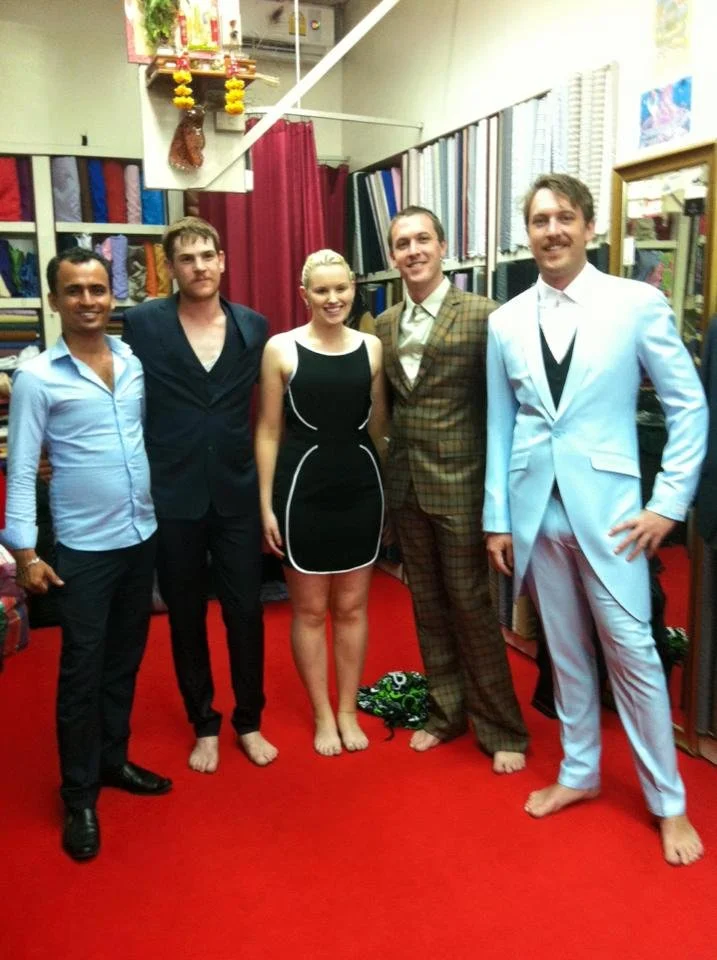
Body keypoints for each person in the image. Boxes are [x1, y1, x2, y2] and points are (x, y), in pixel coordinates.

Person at [483, 173, 707, 866]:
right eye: (538, 220)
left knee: (633, 654)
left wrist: (667, 503)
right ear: (528, 232)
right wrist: (497, 517)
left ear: (587, 228)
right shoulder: (504, 319)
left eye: (563, 218)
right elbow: (502, 422)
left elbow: (688, 406)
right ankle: (578, 772)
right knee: (564, 649)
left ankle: (667, 802)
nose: (550, 231)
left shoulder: (634, 302)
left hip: (612, 515)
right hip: (532, 511)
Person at [2, 248, 171, 862]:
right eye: (74, 291)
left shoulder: (131, 363)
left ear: (111, 296)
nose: (89, 301)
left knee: (125, 659)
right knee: (81, 671)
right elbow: (20, 469)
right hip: (82, 548)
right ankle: (78, 795)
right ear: (54, 301)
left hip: (140, 535)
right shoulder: (37, 377)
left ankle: (113, 761)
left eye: (98, 290)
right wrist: (23, 550)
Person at [375, 207, 528, 771]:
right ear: (392, 256)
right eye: (401, 242)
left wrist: (503, 500)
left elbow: (506, 409)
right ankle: (446, 712)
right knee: (428, 606)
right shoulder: (385, 323)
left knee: (471, 607)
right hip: (408, 486)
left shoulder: (486, 316)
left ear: (443, 246)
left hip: (465, 486)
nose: (412, 250)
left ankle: (501, 727)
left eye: (421, 239)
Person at [123, 217, 277, 774]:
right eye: (187, 259)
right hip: (172, 494)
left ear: (223, 261)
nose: (200, 267)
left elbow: (270, 414)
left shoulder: (253, 327)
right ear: (172, 267)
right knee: (186, 615)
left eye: (208, 255)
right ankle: (204, 723)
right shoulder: (142, 324)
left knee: (246, 613)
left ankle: (249, 720)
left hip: (235, 493)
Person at [255, 250, 387, 756]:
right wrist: (266, 505)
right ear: (304, 294)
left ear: (353, 288)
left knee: (352, 608)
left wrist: (392, 494)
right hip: (301, 489)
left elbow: (380, 429)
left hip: (360, 487)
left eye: (342, 289)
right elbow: (268, 431)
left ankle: (349, 708)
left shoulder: (372, 348)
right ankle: (323, 713)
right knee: (310, 611)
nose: (334, 299)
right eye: (322, 290)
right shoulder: (280, 350)